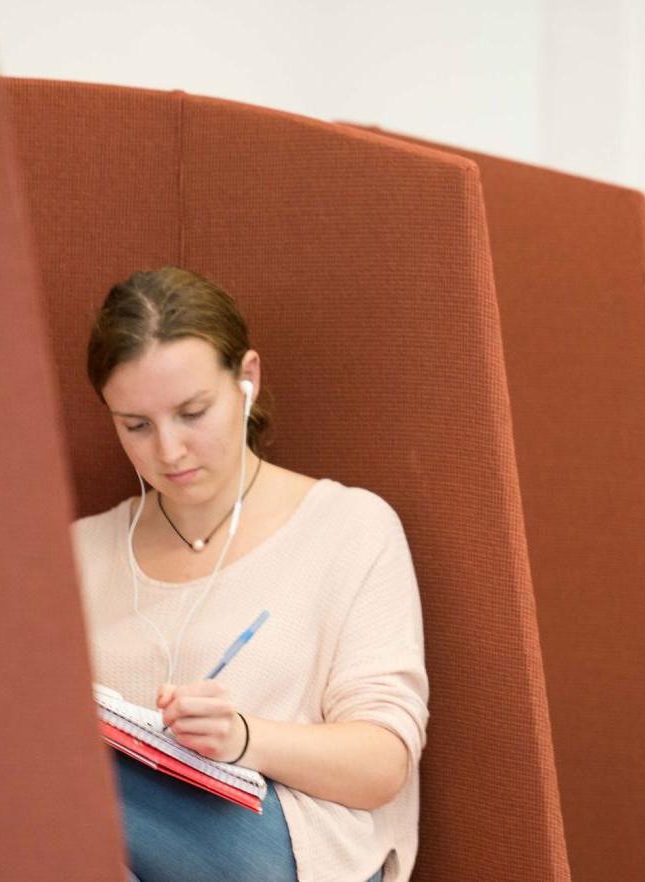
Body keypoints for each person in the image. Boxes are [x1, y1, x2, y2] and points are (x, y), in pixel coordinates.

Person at [69, 267, 427, 882]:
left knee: (68, 774)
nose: (170, 451)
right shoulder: (78, 553)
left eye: (193, 412)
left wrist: (239, 738)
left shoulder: (349, 527)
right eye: (136, 426)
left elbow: (382, 763)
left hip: (275, 851)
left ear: (247, 380)